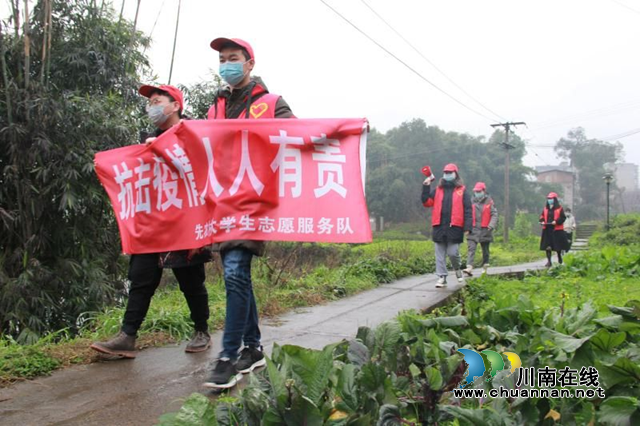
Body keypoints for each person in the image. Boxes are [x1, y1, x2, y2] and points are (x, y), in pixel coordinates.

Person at [91, 85, 212, 358]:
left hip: (185, 222)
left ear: (175, 105)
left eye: (157, 101)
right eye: (149, 103)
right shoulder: (147, 141)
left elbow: (201, 171)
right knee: (141, 279)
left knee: (191, 280)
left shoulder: (194, 136)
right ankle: (127, 336)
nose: (152, 107)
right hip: (154, 222)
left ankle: (202, 330)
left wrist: (164, 149)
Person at [204, 38, 294, 390]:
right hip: (223, 203)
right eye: (223, 59)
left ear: (249, 63)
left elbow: (298, 134)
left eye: (234, 58)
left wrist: (341, 132)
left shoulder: (271, 103)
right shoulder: (217, 106)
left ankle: (227, 356)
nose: (227, 64)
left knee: (236, 272)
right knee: (235, 276)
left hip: (255, 201)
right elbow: (197, 141)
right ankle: (253, 348)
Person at [421, 163, 472, 288]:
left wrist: (467, 227)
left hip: (455, 227)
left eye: (450, 172)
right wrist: (426, 187)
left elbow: (468, 210)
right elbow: (427, 202)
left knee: (453, 253)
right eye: (446, 172)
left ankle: (457, 269)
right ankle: (442, 277)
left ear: (455, 174)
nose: (447, 174)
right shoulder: (438, 190)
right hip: (439, 226)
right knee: (439, 253)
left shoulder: (462, 191)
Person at [463, 182, 498, 276]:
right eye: (476, 191)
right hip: (473, 229)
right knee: (471, 248)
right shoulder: (471, 201)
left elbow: (494, 214)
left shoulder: (489, 202)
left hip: (485, 229)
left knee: (485, 250)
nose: (477, 193)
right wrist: (466, 227)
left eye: (479, 191)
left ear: (483, 191)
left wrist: (491, 225)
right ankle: (469, 267)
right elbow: (466, 214)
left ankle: (485, 267)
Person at [539, 192, 570, 267]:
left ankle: (559, 258)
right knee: (547, 246)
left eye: (551, 199)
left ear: (555, 200)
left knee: (557, 246)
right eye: (548, 199)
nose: (549, 200)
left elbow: (563, 218)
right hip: (547, 229)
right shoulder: (545, 209)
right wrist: (542, 221)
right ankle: (549, 261)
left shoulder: (559, 209)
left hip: (556, 230)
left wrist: (556, 222)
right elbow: (541, 216)